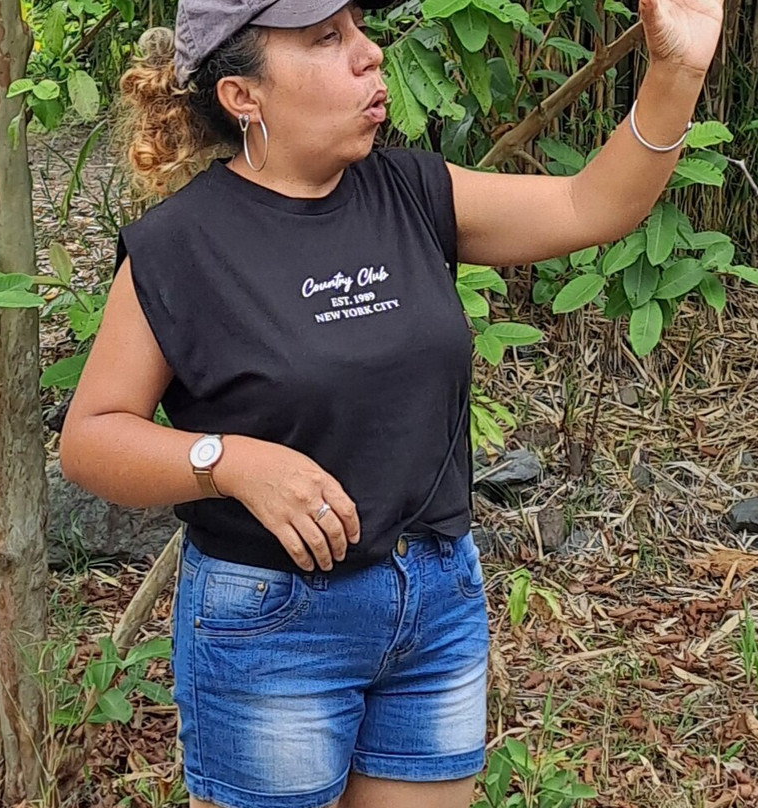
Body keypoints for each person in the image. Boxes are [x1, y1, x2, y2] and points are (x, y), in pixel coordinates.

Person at [58, 0, 722, 804]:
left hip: (434, 602)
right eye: (325, 39)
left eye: (359, 29)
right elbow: (91, 438)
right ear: (242, 95)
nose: (369, 55)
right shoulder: (180, 247)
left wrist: (675, 73)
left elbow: (596, 205)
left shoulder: (410, 190)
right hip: (272, 622)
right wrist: (228, 461)